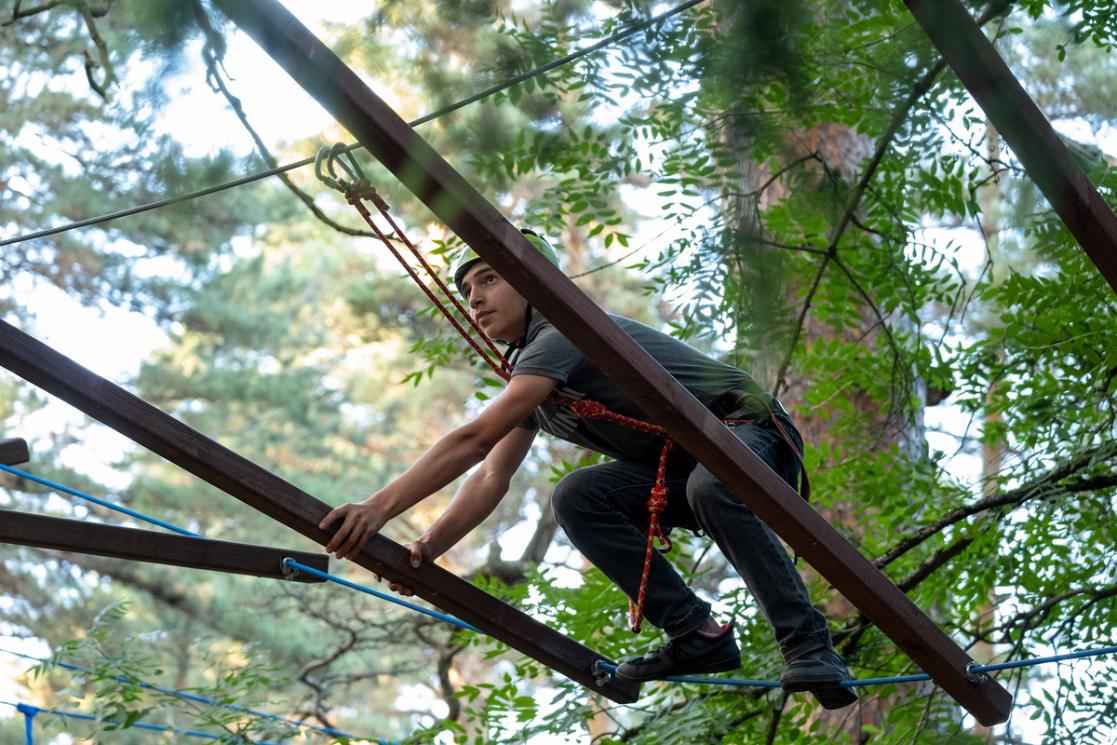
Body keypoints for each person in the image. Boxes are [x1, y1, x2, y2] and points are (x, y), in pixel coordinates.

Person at [320, 230, 856, 709]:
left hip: (749, 431)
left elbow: (474, 439)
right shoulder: (534, 377)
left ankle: (809, 645)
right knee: (577, 495)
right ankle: (696, 633)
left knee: (711, 483)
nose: (476, 298)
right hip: (688, 470)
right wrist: (431, 544)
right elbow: (490, 474)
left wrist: (379, 508)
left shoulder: (564, 333)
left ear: (538, 285)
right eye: (466, 289)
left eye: (490, 279)